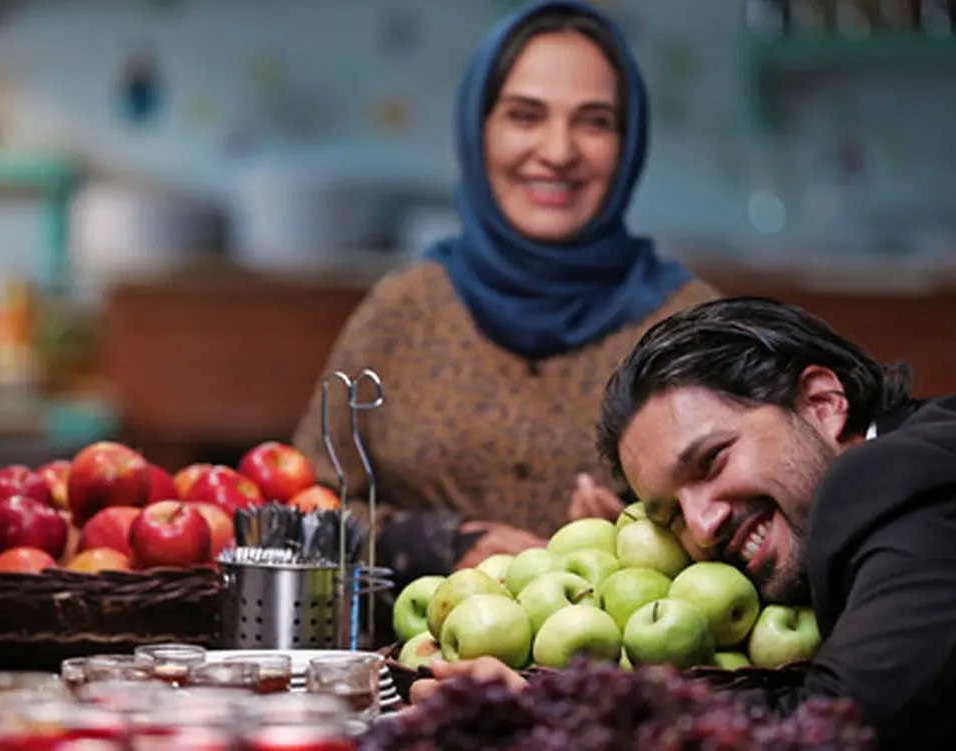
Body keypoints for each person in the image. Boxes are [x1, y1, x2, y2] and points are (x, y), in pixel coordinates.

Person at [411, 296, 956, 751]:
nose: (702, 527)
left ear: (822, 401)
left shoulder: (897, 478)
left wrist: (548, 716)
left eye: (712, 460)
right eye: (671, 514)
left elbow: (825, 731)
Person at [291, 0, 718, 600]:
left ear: (629, 143)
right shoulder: (403, 310)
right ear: (479, 128)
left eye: (594, 121)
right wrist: (439, 544)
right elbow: (300, 511)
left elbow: (749, 527)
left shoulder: (691, 329)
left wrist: (639, 538)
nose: (558, 150)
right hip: (407, 654)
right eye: (525, 115)